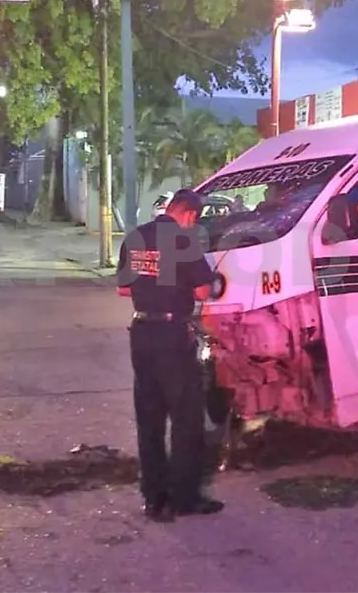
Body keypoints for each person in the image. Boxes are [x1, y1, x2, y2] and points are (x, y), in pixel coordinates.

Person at [116, 188, 224, 522]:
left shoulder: (136, 236)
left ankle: (154, 498)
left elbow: (123, 288)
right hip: (172, 337)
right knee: (186, 419)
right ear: (190, 214)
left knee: (149, 420)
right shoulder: (182, 241)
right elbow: (204, 290)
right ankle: (184, 497)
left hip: (141, 335)